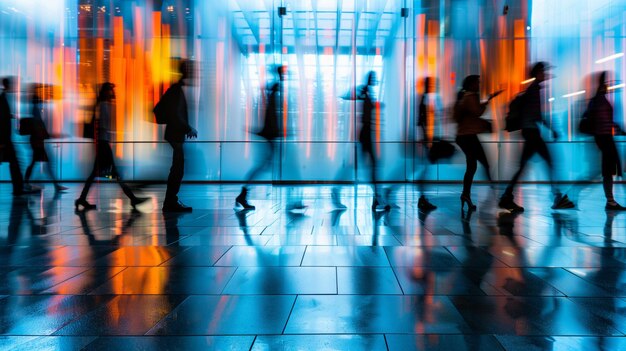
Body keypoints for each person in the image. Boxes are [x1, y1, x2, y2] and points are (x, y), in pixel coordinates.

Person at [499, 62, 575, 212]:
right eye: (543, 71)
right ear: (537, 73)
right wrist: (552, 129)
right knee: (550, 161)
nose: (545, 74)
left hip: (529, 132)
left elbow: (535, 114)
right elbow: (537, 115)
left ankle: (506, 197)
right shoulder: (534, 90)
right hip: (532, 132)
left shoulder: (533, 89)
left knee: (524, 166)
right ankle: (557, 197)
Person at [75, 83, 149, 211]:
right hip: (104, 144)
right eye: (111, 90)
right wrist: (108, 143)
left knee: (98, 174)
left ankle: (82, 199)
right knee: (113, 174)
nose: (113, 93)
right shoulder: (104, 106)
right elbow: (103, 126)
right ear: (106, 92)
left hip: (103, 143)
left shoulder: (103, 105)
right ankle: (132, 199)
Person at [235, 65, 285, 210]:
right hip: (270, 135)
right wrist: (273, 131)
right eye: (283, 73)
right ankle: (243, 194)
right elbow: (271, 115)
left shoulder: (273, 91)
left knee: (265, 164)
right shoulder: (274, 91)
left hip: (270, 135)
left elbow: (271, 115)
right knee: (264, 165)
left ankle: (243, 194)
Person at [454, 75, 502, 210]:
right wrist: (489, 100)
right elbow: (478, 112)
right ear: (470, 84)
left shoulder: (465, 97)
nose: (479, 85)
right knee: (481, 164)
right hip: (467, 137)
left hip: (465, 136)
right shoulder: (470, 97)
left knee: (472, 166)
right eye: (477, 83)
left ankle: (466, 195)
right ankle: (495, 194)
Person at [160, 60, 198, 212]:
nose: (195, 72)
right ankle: (170, 202)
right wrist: (188, 127)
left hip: (175, 134)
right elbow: (176, 114)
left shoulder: (178, 88)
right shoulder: (177, 89)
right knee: (177, 169)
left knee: (177, 168)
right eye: (192, 69)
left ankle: (170, 201)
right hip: (175, 135)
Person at [587, 71, 626, 210]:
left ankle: (610, 200)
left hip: (604, 137)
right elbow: (602, 120)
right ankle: (610, 201)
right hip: (604, 137)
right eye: (607, 83)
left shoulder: (599, 99)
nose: (609, 86)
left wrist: (616, 127)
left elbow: (605, 120)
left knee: (609, 168)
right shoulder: (599, 100)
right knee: (608, 169)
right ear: (603, 83)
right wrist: (615, 127)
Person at [355, 71, 389, 211]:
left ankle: (377, 198)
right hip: (366, 133)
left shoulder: (367, 93)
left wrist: (377, 105)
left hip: (367, 133)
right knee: (372, 166)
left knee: (371, 166)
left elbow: (367, 109)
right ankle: (377, 198)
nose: (376, 80)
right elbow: (366, 112)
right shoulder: (365, 93)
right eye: (374, 78)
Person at [24, 85, 68, 192]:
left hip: (37, 142)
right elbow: (39, 128)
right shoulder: (36, 111)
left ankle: (27, 183)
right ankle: (55, 185)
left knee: (36, 163)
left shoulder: (35, 110)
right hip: (38, 142)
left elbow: (40, 128)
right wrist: (52, 135)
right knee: (43, 163)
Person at [0, 77, 39, 196]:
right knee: (15, 163)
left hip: (5, 139)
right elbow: (1, 120)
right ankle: (18, 189)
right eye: (12, 84)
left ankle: (18, 189)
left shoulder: (3, 98)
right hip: (4, 139)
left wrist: (10, 116)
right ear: (8, 85)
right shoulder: (2, 99)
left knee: (15, 163)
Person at [414, 77, 440, 211]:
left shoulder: (424, 99)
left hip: (424, 139)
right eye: (431, 84)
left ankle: (422, 198)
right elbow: (420, 121)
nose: (433, 86)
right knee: (424, 169)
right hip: (424, 140)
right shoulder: (423, 100)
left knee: (424, 168)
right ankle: (422, 198)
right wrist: (424, 139)